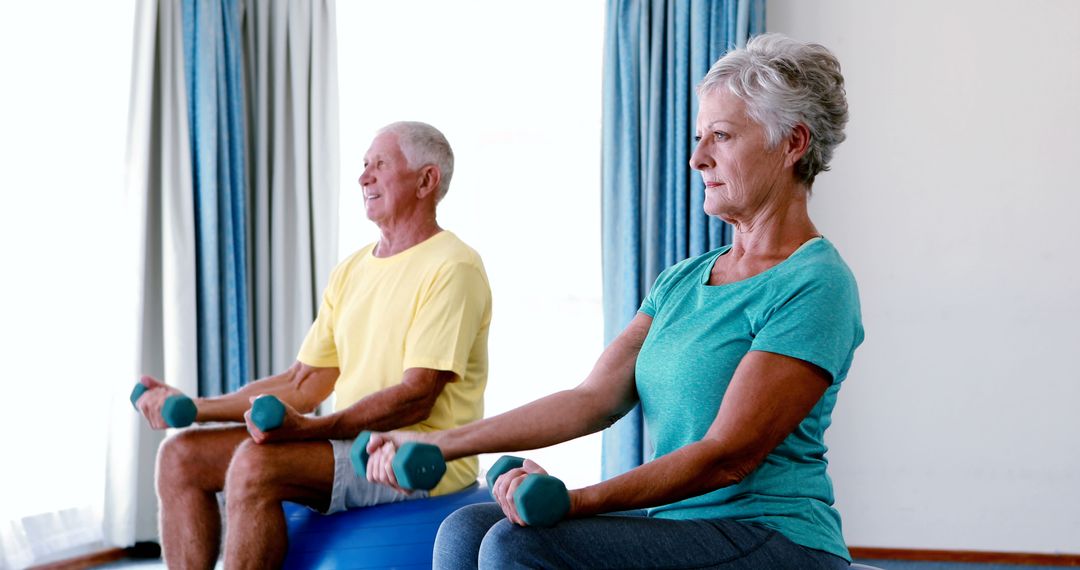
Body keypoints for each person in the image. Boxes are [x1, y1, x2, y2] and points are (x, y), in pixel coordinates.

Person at [365, 34, 863, 569]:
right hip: (677, 528)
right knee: (468, 527)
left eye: (721, 137)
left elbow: (727, 458)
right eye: (699, 137)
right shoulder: (683, 280)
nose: (697, 158)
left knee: (519, 544)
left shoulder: (814, 283)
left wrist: (573, 502)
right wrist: (443, 444)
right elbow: (593, 399)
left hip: (770, 536)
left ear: (793, 143)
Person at [132, 121, 493, 569]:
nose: (364, 178)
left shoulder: (453, 266)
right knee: (180, 456)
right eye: (364, 166)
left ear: (426, 180)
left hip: (416, 456)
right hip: (352, 444)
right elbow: (303, 382)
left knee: (255, 463)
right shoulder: (352, 270)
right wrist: (196, 406)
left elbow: (415, 398)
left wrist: (310, 430)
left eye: (380, 165)